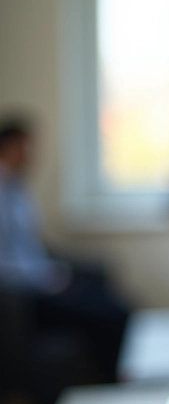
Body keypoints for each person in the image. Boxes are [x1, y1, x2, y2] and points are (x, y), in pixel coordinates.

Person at [0, 115, 131, 384]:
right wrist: (44, 278)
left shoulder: (19, 188)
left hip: (44, 277)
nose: (32, 155)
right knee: (111, 315)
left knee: (116, 300)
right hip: (25, 295)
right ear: (8, 148)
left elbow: (29, 245)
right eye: (26, 147)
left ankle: (110, 380)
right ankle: (109, 386)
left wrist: (53, 271)